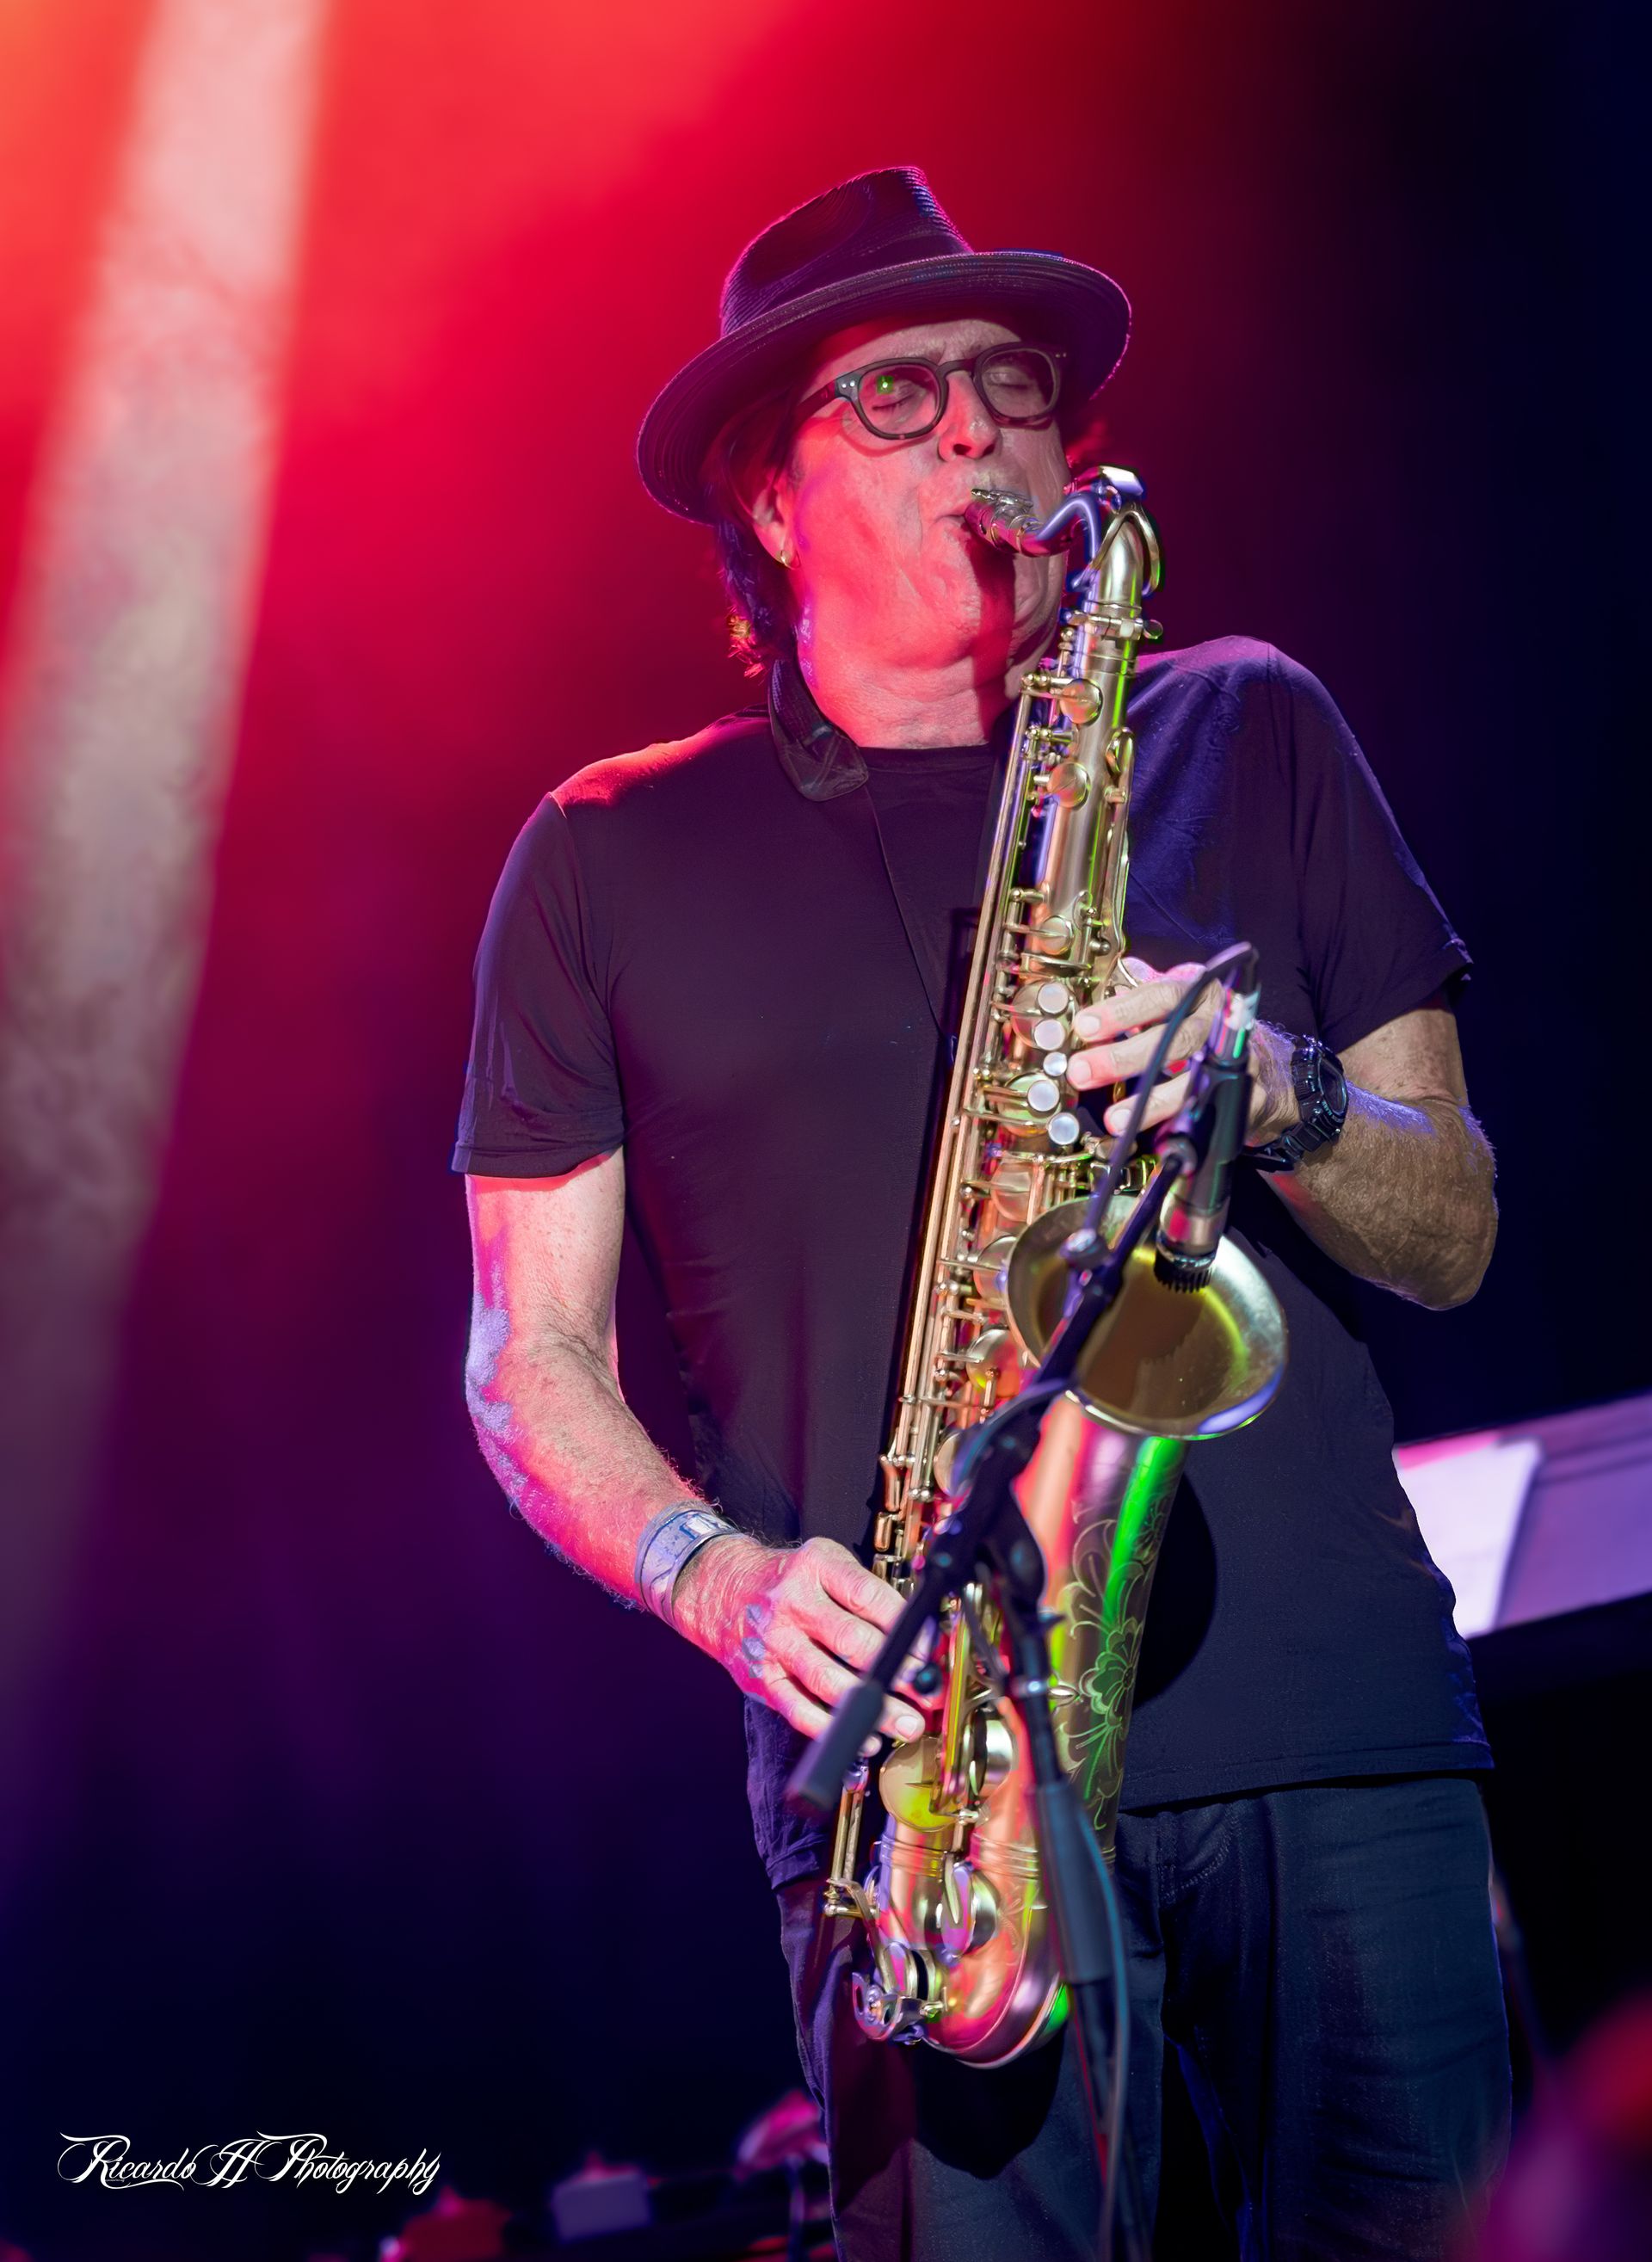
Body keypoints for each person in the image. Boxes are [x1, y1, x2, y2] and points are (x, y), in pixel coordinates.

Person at [453, 168, 1510, 2260]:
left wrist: (1269, 1090)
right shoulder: (606, 854)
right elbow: (527, 1356)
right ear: (767, 503)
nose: (980, 432)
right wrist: (714, 1578)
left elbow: (1455, 1226)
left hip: (1329, 1732)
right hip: (930, 1802)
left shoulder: (1245, 722)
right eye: (900, 396)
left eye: (1014, 386)